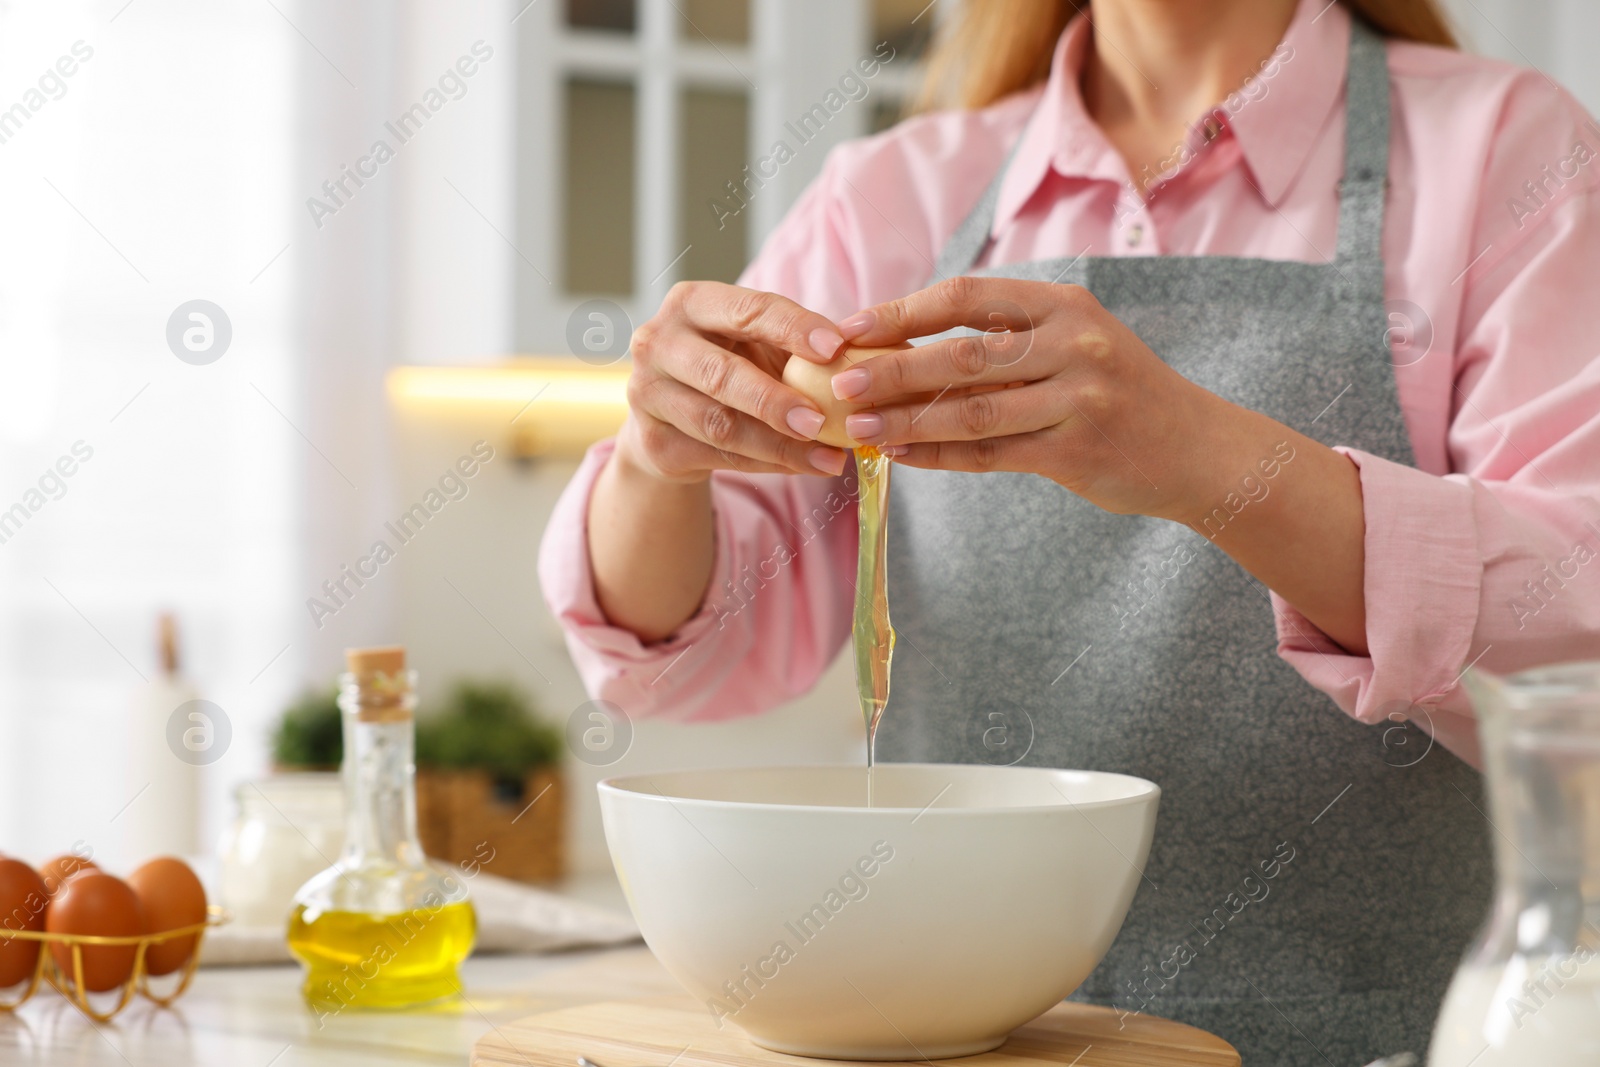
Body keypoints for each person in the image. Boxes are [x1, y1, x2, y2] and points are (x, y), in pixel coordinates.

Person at [541, 0, 1600, 1061]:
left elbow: (1574, 637)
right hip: (940, 1036)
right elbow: (687, 663)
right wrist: (655, 457)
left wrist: (1208, 458)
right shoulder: (894, 194)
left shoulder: (1509, 150)